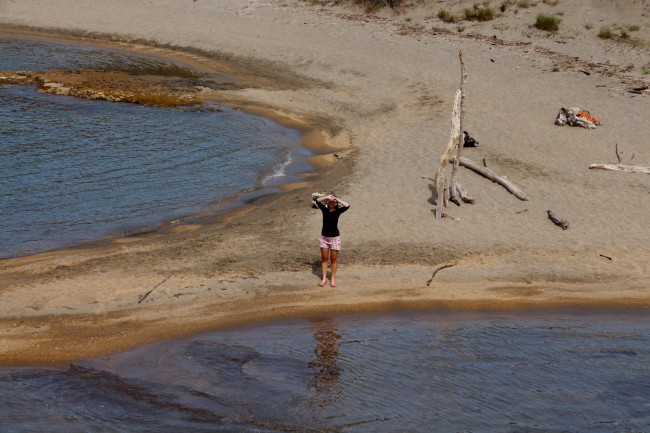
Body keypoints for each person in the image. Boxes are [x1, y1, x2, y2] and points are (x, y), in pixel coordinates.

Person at [315, 193, 350, 287]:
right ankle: (323, 279)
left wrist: (336, 199)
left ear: (335, 203)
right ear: (327, 202)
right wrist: (327, 197)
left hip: (335, 238)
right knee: (324, 259)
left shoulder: (338, 211)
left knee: (333, 260)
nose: (331, 202)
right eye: (329, 201)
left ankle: (332, 279)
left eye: (333, 201)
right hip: (324, 239)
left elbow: (347, 205)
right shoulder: (324, 210)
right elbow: (317, 201)